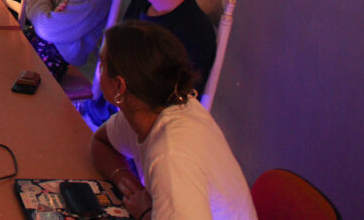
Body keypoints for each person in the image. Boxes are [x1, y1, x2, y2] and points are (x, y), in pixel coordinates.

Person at [91, 21, 256, 219]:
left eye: (102, 64)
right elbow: (100, 142)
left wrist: (145, 213)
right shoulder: (147, 109)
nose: (98, 72)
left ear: (119, 87)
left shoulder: (171, 155)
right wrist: (124, 179)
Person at [79, 0, 217, 128]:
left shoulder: (193, 33)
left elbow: (166, 116)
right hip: (101, 116)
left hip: (127, 135)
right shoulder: (141, 3)